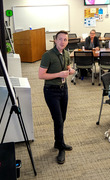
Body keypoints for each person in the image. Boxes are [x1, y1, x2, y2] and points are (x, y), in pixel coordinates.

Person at [39, 30, 75, 164]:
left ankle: (57, 142)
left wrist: (71, 71)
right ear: (55, 40)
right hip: (51, 91)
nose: (63, 42)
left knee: (62, 118)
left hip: (63, 89)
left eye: (65, 40)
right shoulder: (47, 55)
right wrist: (59, 74)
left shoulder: (66, 53)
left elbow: (68, 67)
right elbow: (41, 75)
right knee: (58, 119)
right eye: (60, 39)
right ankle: (61, 147)